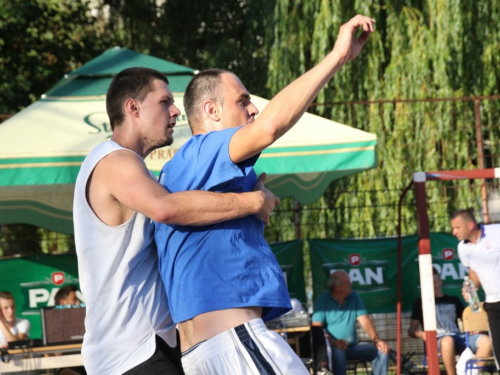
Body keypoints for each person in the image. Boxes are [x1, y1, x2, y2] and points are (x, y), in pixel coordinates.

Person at [153, 14, 376, 375]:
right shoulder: (204, 148)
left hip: (208, 352)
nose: (254, 108)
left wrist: (250, 203)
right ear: (211, 110)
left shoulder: (184, 169)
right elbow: (270, 126)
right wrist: (337, 56)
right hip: (234, 343)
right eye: (243, 101)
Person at [73, 67, 279, 375]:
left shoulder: (134, 169)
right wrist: (252, 202)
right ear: (132, 107)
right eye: (164, 101)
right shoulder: (114, 160)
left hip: (148, 347)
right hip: (131, 353)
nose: (175, 111)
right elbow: (166, 208)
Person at [408, 267, 492, 375]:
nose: (432, 286)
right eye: (429, 283)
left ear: (440, 281)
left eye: (434, 282)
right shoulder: (420, 303)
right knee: (447, 341)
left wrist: (474, 329)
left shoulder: (454, 300)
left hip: (458, 337)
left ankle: (473, 372)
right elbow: (411, 331)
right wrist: (421, 334)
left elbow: (467, 320)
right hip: (437, 340)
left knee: (486, 341)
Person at [311, 270, 389, 375]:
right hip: (334, 348)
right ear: (337, 287)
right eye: (348, 282)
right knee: (338, 354)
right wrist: (333, 342)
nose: (351, 284)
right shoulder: (322, 300)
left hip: (354, 346)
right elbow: (316, 327)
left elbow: (365, 321)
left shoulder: (354, 297)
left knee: (382, 350)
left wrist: (377, 340)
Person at [450, 208, 500, 366]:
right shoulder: (462, 248)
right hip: (492, 304)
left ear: (470, 225)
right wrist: (470, 288)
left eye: (457, 227)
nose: (453, 232)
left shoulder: (496, 232)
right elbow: (474, 270)